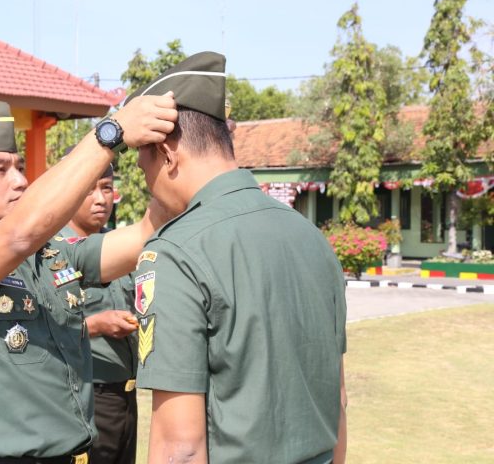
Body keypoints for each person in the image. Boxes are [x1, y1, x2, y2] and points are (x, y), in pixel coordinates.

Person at [0, 96, 177, 464]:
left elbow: (144, 235)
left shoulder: (51, 254)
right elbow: (17, 235)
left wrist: (170, 160)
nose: (20, 181)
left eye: (19, 167)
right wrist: (110, 133)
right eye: (0, 170)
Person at [128, 52, 348, 464]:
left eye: (145, 169)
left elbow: (181, 447)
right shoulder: (312, 237)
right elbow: (337, 401)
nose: (150, 187)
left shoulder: (175, 251)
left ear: (168, 153)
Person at [59, 148, 138, 464]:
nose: (100, 198)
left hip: (126, 396)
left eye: (106, 187)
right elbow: (38, 328)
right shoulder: (53, 254)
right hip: (86, 396)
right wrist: (96, 325)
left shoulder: (119, 248)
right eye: (89, 188)